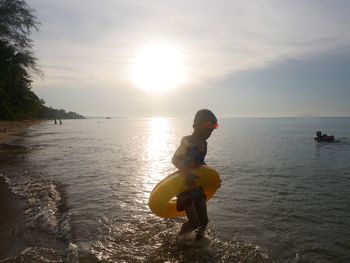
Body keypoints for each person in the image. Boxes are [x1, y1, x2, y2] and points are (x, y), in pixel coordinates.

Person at [172, 109, 218, 240]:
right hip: (185, 187)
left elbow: (200, 163)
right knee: (194, 222)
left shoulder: (204, 144)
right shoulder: (187, 141)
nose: (209, 132)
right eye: (207, 127)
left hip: (197, 186)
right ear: (195, 126)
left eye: (212, 129)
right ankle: (179, 241)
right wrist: (187, 174)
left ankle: (199, 245)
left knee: (204, 221)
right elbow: (175, 159)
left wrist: (213, 179)